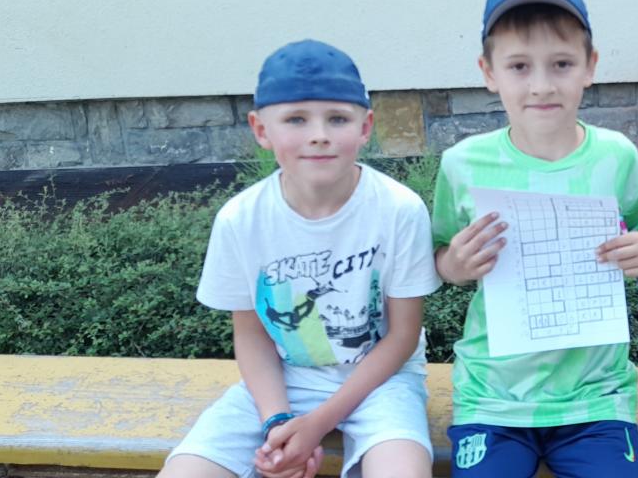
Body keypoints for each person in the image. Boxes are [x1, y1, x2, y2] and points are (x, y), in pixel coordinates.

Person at [158, 39, 440, 478]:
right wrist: (277, 422)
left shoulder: (399, 209)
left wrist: (318, 424)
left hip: (383, 382)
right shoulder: (240, 219)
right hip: (282, 382)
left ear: (365, 127)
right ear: (261, 129)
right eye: (296, 119)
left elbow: (402, 337)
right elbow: (251, 336)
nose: (319, 134)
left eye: (337, 118)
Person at [431, 0, 638, 477]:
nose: (541, 85)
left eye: (561, 64)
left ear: (589, 66)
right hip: (493, 395)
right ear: (488, 72)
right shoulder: (463, 165)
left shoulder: (617, 158)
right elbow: (440, 253)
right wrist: (455, 265)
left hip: (596, 396)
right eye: (519, 66)